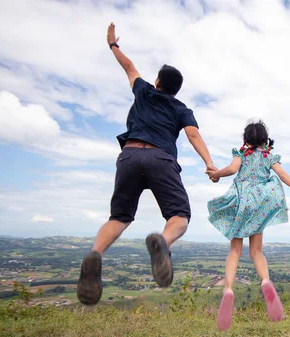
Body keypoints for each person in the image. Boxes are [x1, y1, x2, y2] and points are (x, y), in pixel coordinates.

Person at [76, 23, 218, 305]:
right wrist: (210, 163)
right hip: (160, 157)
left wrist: (113, 45)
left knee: (119, 217)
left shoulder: (143, 91)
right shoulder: (181, 109)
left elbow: (128, 67)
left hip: (128, 155)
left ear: (157, 82)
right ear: (176, 90)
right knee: (179, 215)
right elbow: (193, 135)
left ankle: (96, 254)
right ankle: (163, 242)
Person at [206, 120, 290, 330]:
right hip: (259, 203)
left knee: (235, 250)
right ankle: (265, 280)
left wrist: (216, 174)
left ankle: (228, 289)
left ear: (245, 140)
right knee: (256, 251)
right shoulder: (268, 156)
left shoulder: (241, 154)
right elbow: (283, 176)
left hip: (240, 202)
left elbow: (231, 169)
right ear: (266, 141)